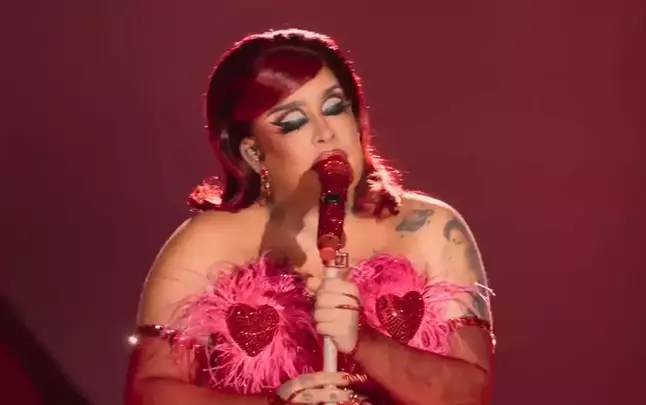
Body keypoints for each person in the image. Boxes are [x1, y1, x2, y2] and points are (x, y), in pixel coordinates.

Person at [124, 28, 495, 405]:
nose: (325, 133)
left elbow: (472, 394)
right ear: (253, 152)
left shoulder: (430, 228)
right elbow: (147, 392)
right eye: (292, 122)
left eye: (334, 108)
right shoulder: (208, 242)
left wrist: (365, 342)